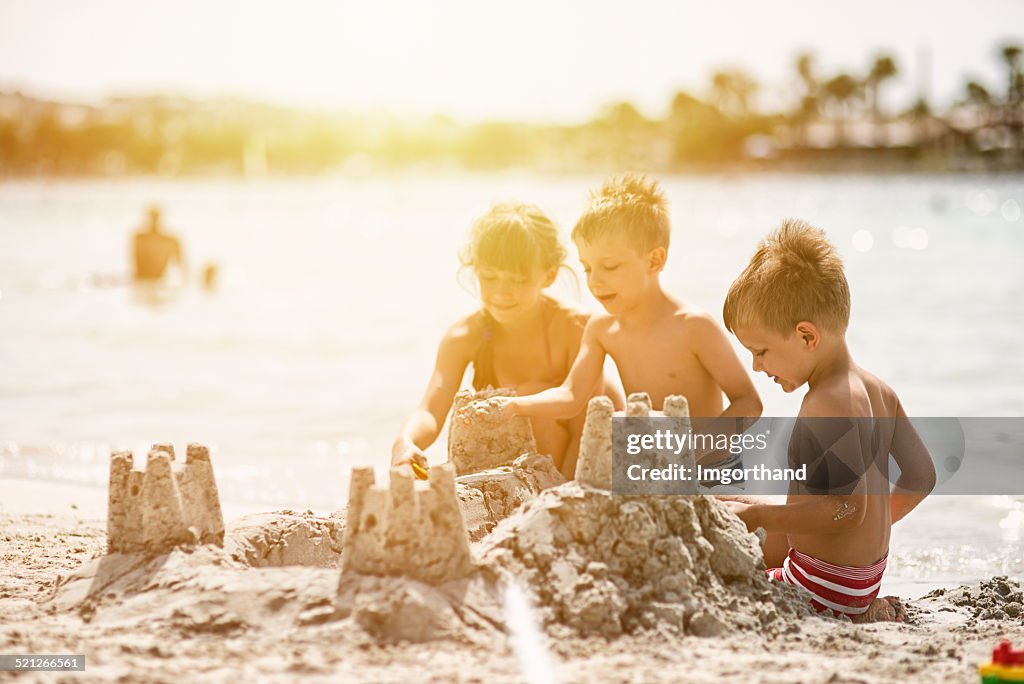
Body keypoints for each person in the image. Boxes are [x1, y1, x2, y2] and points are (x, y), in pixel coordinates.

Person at [720, 219, 936, 622]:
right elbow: (922, 477)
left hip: (815, 586)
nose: (755, 364)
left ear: (806, 337)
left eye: (761, 350)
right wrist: (870, 530)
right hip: (855, 581)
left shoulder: (826, 403)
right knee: (724, 503)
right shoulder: (878, 391)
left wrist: (761, 517)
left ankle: (845, 605)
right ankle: (860, 603)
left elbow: (843, 509)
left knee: (712, 562)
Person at [481, 174, 762, 461]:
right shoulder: (602, 330)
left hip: (707, 466)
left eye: (610, 266)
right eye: (588, 268)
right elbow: (570, 397)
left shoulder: (694, 326)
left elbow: (749, 401)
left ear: (654, 261)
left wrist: (700, 448)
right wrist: (514, 405)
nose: (595, 282)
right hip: (651, 465)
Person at [391, 203, 622, 479]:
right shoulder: (465, 336)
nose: (502, 292)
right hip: (532, 457)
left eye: (518, 280)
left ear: (549, 276)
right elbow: (431, 408)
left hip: (601, 447)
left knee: (531, 393)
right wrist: (405, 442)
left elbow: (585, 424)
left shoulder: (577, 327)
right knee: (473, 415)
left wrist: (569, 493)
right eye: (489, 278)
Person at [132, 205, 184, 282]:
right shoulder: (139, 238)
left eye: (155, 217)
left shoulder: (171, 240)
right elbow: (136, 262)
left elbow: (181, 265)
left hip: (157, 279)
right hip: (142, 279)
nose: (154, 221)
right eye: (153, 217)